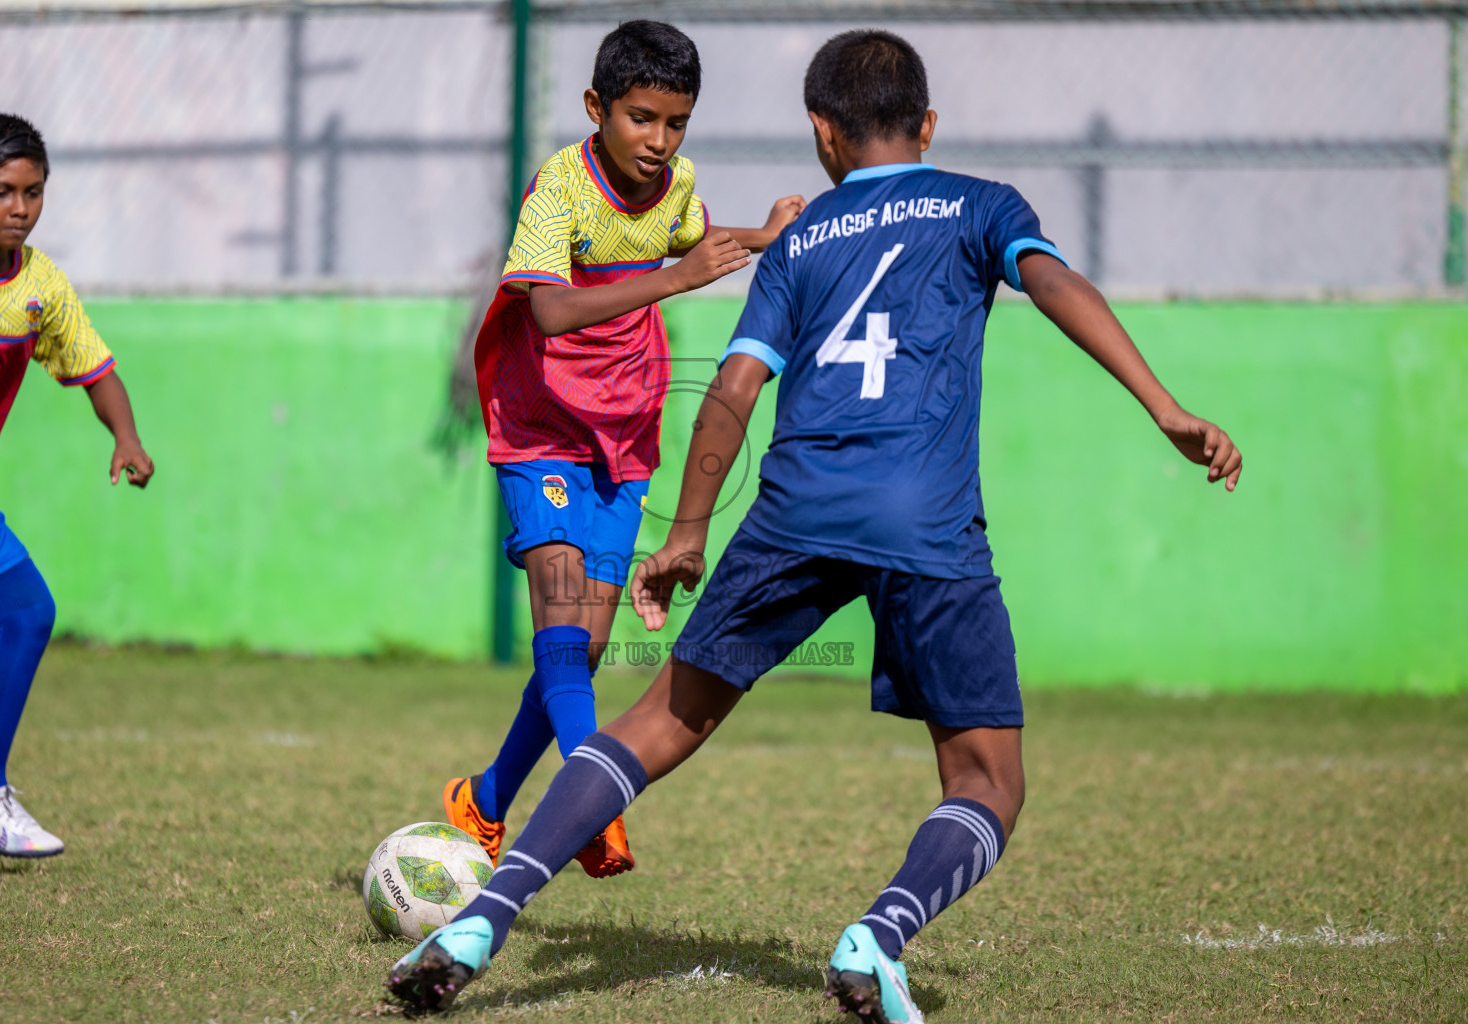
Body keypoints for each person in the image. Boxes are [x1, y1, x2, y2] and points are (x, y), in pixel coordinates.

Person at [392, 28, 1242, 1021]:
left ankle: (479, 919)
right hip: (925, 517)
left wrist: (689, 533)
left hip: (793, 509)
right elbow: (1053, 283)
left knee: (656, 720)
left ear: (822, 134)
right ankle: (877, 935)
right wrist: (1162, 403)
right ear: (928, 126)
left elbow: (740, 384)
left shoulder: (805, 238)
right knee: (987, 778)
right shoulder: (981, 205)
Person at [443, 19, 803, 880]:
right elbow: (550, 313)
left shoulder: (675, 184)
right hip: (540, 432)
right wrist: (682, 279)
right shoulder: (558, 192)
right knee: (563, 641)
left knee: (587, 650)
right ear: (596, 107)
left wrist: (763, 234)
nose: (660, 140)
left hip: (625, 432)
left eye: (676, 122)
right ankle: (587, 801)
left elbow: (689, 242)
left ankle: (485, 800)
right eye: (642, 118)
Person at [0, 112, 155, 858]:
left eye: (34, 192)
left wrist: (125, 436)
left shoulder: (41, 287)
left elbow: (95, 369)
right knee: (28, 611)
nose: (21, 207)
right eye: (2, 192)